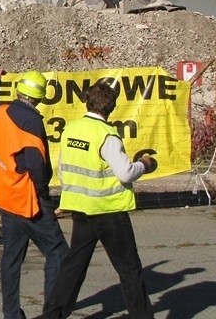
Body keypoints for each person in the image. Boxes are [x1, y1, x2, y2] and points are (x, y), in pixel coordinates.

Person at [41, 81, 157, 319]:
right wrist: (144, 164)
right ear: (112, 107)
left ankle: (52, 314)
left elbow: (64, 169)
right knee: (129, 270)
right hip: (109, 211)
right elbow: (125, 172)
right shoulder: (107, 136)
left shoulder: (71, 130)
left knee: (74, 267)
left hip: (82, 208)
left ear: (87, 102)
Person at [0, 68, 69, 319]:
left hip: (6, 197)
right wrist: (45, 197)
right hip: (29, 201)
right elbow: (37, 167)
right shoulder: (31, 122)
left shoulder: (0, 112)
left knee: (11, 260)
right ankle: (51, 313)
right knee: (59, 253)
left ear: (19, 90)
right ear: (41, 96)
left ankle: (11, 314)